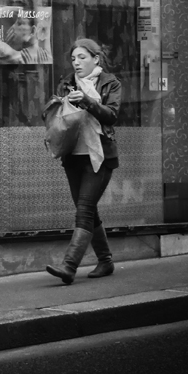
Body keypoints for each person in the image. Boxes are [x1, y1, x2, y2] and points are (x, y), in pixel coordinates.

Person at [46, 38, 121, 284]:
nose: (76, 63)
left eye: (82, 58)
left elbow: (112, 116)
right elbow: (56, 116)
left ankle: (69, 266)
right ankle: (106, 261)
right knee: (87, 209)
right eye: (73, 58)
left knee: (85, 209)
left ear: (96, 59)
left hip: (99, 156)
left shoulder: (110, 83)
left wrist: (87, 102)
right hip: (73, 155)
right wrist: (57, 105)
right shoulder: (66, 83)